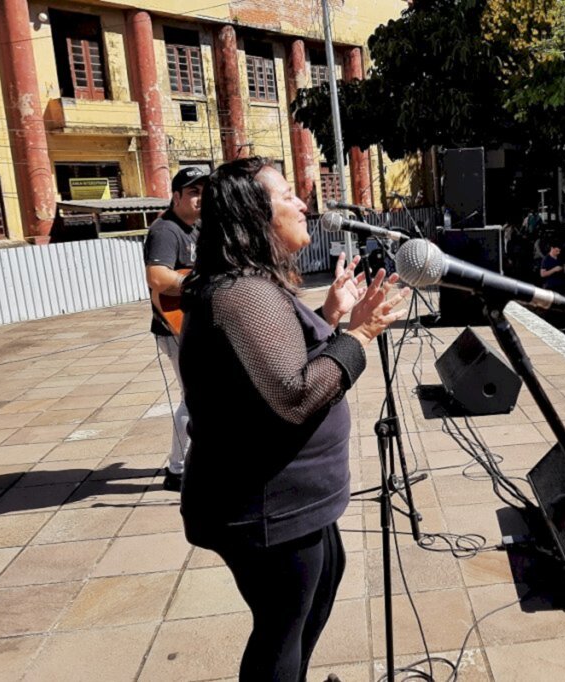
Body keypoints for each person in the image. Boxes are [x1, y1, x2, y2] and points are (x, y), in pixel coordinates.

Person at [177, 157, 408, 681]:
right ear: (253, 216)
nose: (303, 203)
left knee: (321, 586)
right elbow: (295, 395)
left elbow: (280, 365)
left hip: (297, 501)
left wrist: (329, 320)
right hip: (263, 508)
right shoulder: (242, 293)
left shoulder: (257, 285)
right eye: (287, 196)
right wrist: (359, 334)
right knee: (281, 625)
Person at [143, 166, 206, 491]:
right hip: (175, 328)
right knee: (193, 398)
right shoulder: (166, 231)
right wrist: (199, 283)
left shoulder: (193, 229)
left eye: (203, 192)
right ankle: (178, 470)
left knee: (201, 396)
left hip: (192, 325)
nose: (200, 198)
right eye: (193, 192)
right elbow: (157, 277)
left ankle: (192, 461)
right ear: (177, 195)